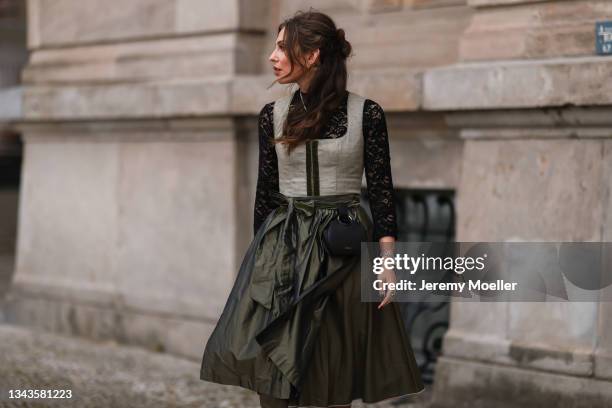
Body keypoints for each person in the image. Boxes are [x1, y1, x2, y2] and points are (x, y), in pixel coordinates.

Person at [200, 9, 424, 408]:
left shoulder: (366, 114)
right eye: (275, 45)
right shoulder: (273, 115)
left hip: (342, 253)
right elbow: (266, 197)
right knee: (272, 373)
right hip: (283, 250)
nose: (273, 56)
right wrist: (259, 265)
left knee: (329, 371)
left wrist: (387, 263)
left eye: (283, 46)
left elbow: (383, 192)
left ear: (313, 54)